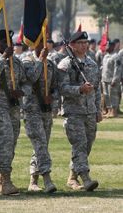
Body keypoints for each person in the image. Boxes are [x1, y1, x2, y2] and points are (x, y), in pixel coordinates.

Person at [0, 29, 31, 195]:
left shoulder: (17, 63)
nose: (7, 46)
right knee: (7, 137)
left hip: (14, 107)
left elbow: (27, 83)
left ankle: (2, 178)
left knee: (12, 142)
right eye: (3, 43)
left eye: (10, 43)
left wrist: (22, 92)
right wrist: (3, 58)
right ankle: (4, 179)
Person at [58, 31, 101, 192]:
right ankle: (85, 177)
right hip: (73, 111)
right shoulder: (65, 64)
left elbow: (96, 89)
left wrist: (98, 110)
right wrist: (80, 89)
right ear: (72, 45)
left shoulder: (92, 64)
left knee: (86, 147)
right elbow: (61, 88)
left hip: (90, 112)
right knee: (79, 145)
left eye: (85, 42)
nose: (84, 44)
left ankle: (72, 178)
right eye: (80, 42)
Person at [22, 39, 58, 193]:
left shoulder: (51, 64)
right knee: (40, 143)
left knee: (41, 146)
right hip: (32, 110)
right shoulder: (27, 61)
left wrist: (53, 96)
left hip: (46, 110)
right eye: (39, 43)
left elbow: (57, 86)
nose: (44, 46)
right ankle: (47, 178)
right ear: (32, 45)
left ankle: (33, 181)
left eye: (46, 42)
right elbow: (30, 78)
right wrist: (41, 60)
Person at [101, 41, 122, 118]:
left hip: (112, 80)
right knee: (107, 96)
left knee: (113, 95)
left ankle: (114, 112)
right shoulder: (106, 56)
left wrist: (114, 80)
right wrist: (102, 80)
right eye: (106, 45)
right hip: (105, 79)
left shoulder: (116, 56)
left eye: (108, 46)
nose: (107, 47)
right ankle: (109, 111)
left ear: (113, 47)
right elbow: (103, 69)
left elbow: (117, 70)